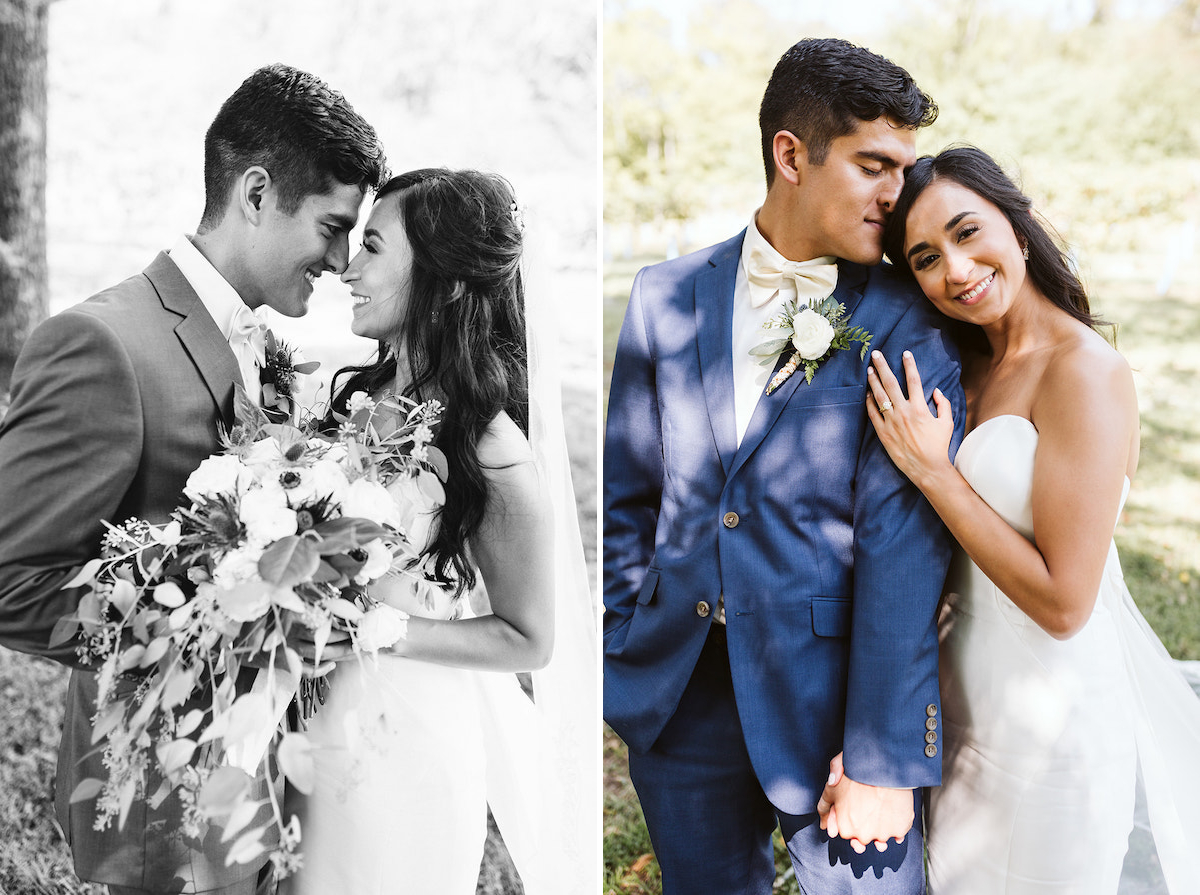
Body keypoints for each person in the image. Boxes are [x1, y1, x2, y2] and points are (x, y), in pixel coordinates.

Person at [0, 64, 387, 895]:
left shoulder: (267, 344)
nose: (340, 258)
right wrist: (211, 623)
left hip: (265, 780)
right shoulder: (104, 345)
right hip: (157, 803)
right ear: (255, 193)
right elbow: (8, 579)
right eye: (330, 225)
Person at [603, 37, 965, 894]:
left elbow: (903, 546)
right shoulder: (665, 295)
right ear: (791, 154)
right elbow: (631, 491)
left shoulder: (907, 320)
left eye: (904, 170)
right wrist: (624, 635)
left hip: (835, 711)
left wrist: (881, 756)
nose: (897, 193)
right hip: (677, 694)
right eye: (875, 164)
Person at [857, 145, 1200, 893]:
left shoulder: (1085, 371)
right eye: (924, 257)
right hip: (963, 720)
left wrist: (935, 472)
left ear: (1017, 221)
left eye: (967, 230)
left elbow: (1065, 603)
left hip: (1057, 736)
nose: (954, 268)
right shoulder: (965, 364)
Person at [286, 168, 597, 895]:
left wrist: (378, 629)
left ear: (447, 282)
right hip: (315, 719)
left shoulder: (492, 452)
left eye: (371, 248)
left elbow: (530, 638)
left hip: (407, 742)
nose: (346, 269)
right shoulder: (358, 398)